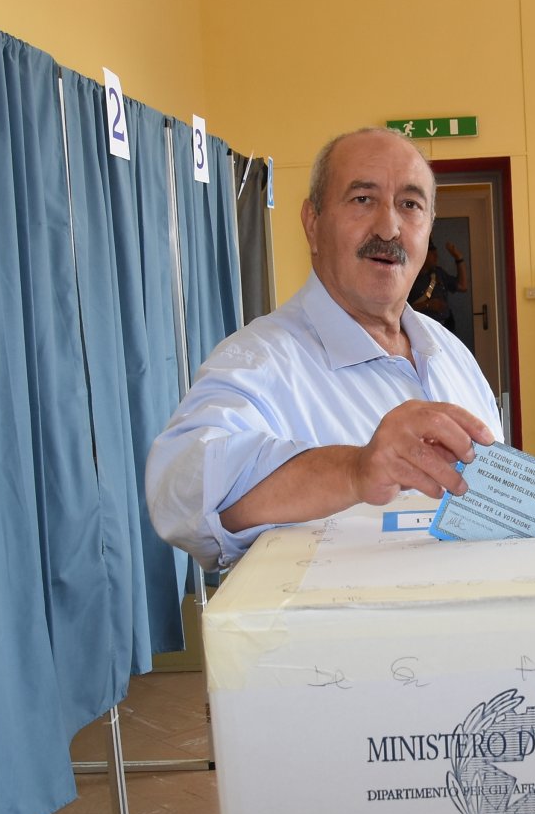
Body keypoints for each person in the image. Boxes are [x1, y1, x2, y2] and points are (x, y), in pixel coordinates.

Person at [145, 127, 501, 571]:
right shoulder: (260, 359)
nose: (389, 227)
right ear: (312, 223)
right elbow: (179, 494)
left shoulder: (451, 353)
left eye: (410, 205)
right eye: (363, 199)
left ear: (428, 228)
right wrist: (354, 470)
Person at [411, 240, 470, 334]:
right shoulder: (410, 277)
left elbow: (462, 286)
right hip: (423, 329)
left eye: (436, 253)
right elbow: (401, 310)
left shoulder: (439, 273)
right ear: (423, 254)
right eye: (432, 253)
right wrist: (428, 305)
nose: (436, 256)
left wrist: (459, 258)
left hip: (445, 327)